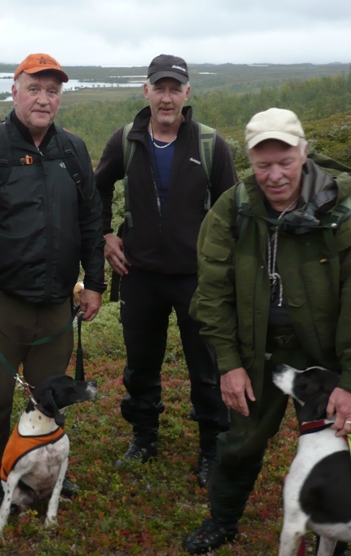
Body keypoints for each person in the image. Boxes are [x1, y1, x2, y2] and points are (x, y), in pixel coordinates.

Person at [182, 108, 351, 554]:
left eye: (286, 162)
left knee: (336, 448)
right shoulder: (233, 208)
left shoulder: (341, 213)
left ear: (304, 153)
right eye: (263, 165)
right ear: (250, 162)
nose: (275, 176)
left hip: (325, 356)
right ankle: (222, 521)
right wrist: (229, 364)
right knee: (240, 445)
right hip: (256, 351)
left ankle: (330, 536)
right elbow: (212, 293)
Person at [0, 53, 107, 513]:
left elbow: (92, 221)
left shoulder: (71, 150)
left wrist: (93, 283)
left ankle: (48, 471)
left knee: (50, 399)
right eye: (34, 88)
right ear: (14, 92)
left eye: (52, 90)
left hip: (57, 303)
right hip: (1, 304)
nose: (43, 98)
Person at [94, 54, 237, 486]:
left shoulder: (211, 144)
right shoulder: (126, 141)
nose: (167, 97)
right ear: (147, 92)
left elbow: (233, 211)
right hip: (139, 274)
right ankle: (144, 437)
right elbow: (97, 189)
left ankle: (212, 447)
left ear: (187, 93)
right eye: (160, 88)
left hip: (197, 278)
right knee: (140, 364)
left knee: (206, 367)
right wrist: (104, 235)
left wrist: (224, 269)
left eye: (176, 89)